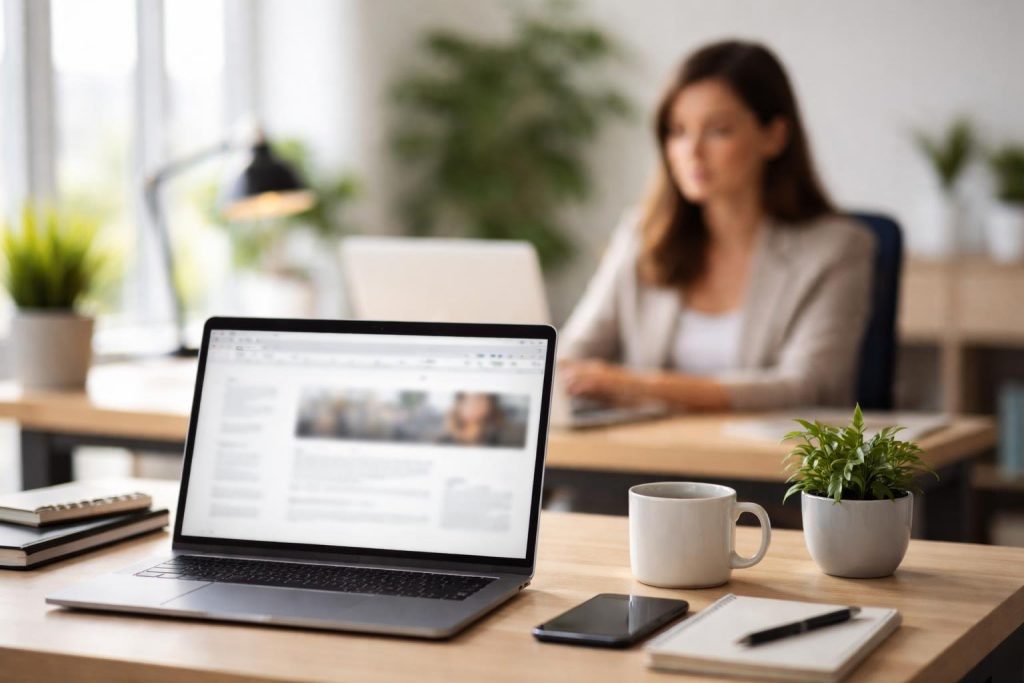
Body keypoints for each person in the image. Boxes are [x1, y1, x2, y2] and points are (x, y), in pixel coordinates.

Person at [559, 40, 875, 411]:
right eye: (677, 131)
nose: (691, 151)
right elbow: (571, 357)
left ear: (773, 136)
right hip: (650, 459)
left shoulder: (837, 248)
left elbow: (805, 386)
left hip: (773, 465)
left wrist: (638, 386)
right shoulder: (643, 234)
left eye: (718, 130)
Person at [441, 392, 507, 446]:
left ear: (490, 404)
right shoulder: (444, 442)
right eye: (466, 401)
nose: (472, 406)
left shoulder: (501, 440)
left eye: (478, 399)